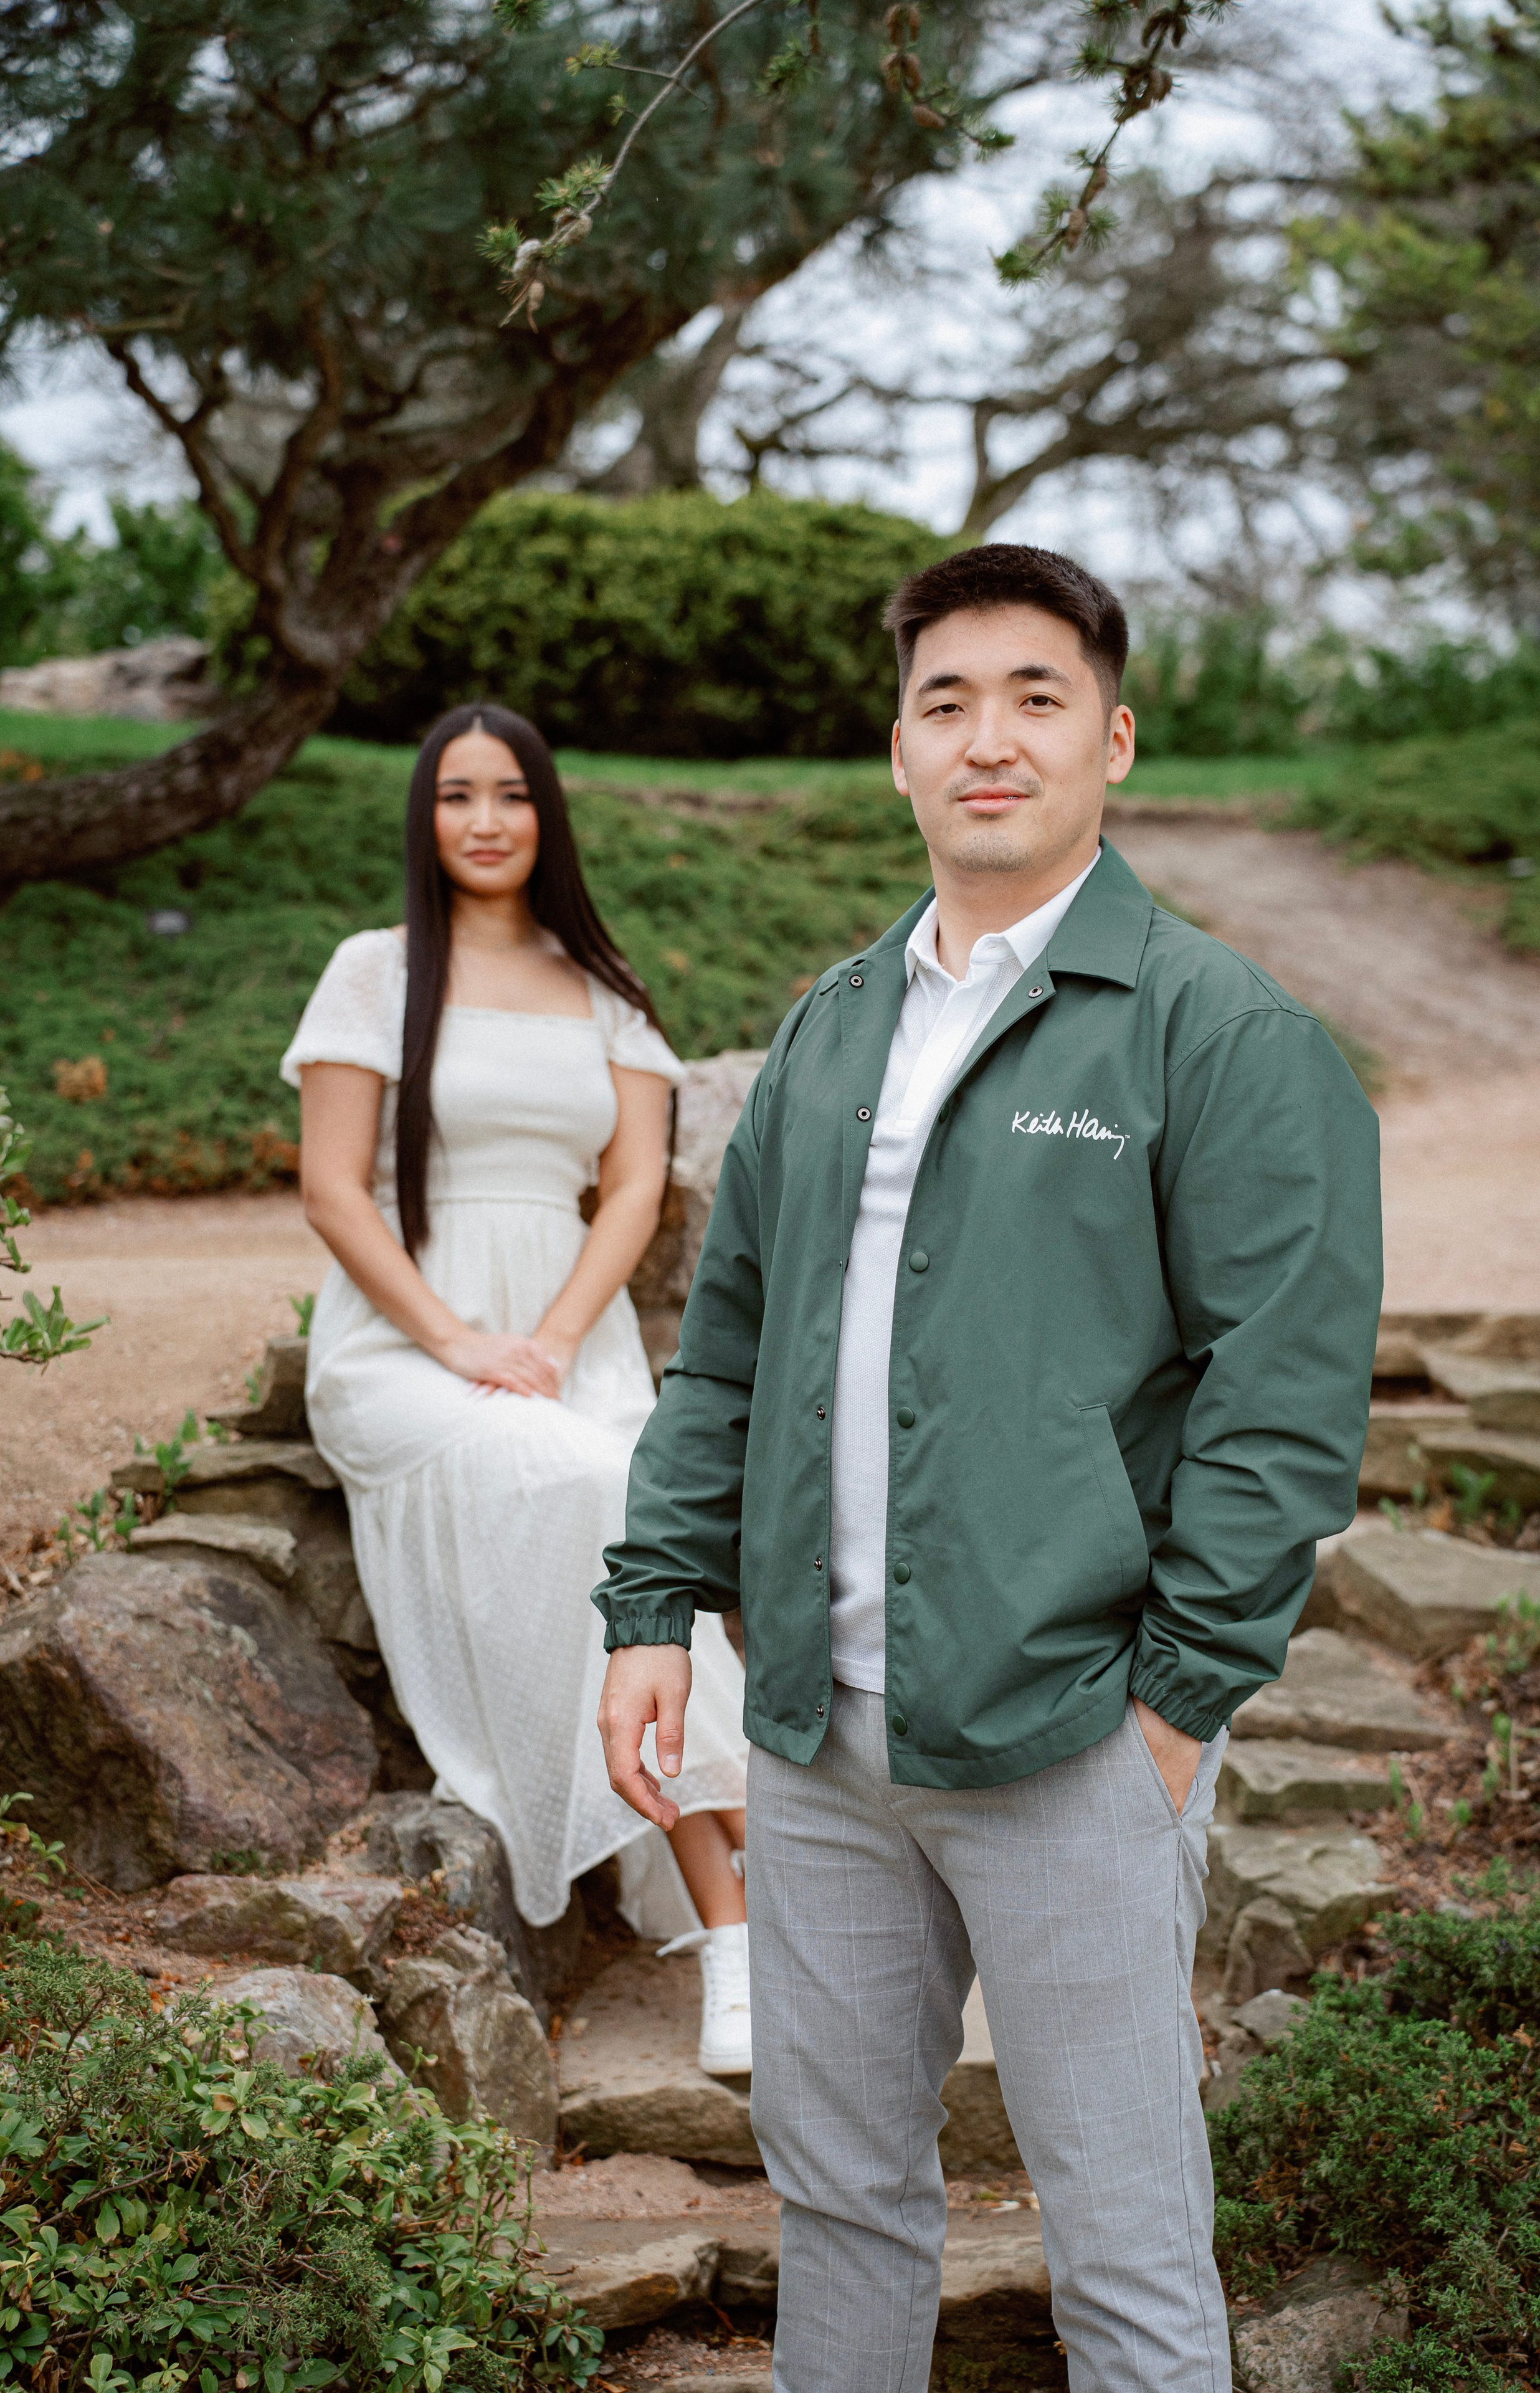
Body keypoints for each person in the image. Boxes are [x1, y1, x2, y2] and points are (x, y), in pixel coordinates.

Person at [591, 547, 1382, 2391]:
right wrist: (652, 1604)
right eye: (948, 703)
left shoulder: (1226, 1033)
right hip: (812, 1738)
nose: (989, 739)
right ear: (896, 752)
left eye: (1036, 698)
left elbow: (1284, 1402)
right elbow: (729, 1347)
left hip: (1072, 1736)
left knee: (1123, 2250)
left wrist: (1177, 1703)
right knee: (846, 2209)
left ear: (1114, 738)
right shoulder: (829, 1028)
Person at [282, 702, 753, 2073]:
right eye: (453, 795)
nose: (484, 819)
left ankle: (730, 1914)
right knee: (580, 1485)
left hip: (570, 1345)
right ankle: (736, 1922)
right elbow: (329, 1186)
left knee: (601, 1484)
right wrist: (454, 1342)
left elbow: (634, 1186)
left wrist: (547, 1339)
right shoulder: (373, 973)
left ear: (546, 816)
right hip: (400, 1353)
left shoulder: (602, 986)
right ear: (423, 818)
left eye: (511, 795)